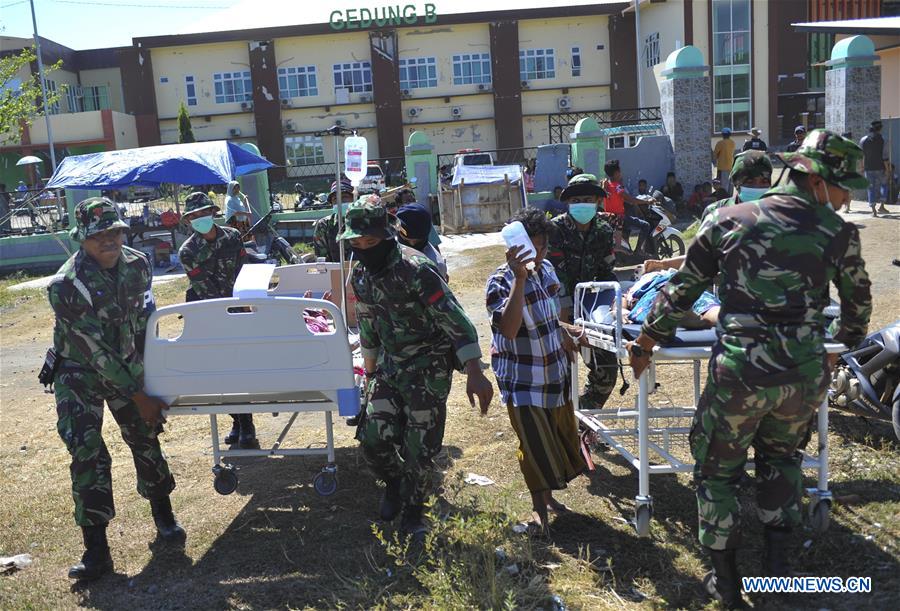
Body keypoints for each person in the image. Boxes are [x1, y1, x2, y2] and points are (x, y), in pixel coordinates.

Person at [627, 130, 872, 608]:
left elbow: (681, 289)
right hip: (801, 378)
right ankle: (777, 574)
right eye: (846, 187)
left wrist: (646, 339)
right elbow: (858, 307)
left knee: (717, 473)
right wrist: (837, 347)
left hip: (740, 375)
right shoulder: (836, 232)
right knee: (782, 462)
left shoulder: (727, 220)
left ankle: (727, 581)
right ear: (819, 179)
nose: (847, 200)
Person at [47, 197, 185, 581]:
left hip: (125, 362)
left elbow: (143, 322)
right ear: (83, 240)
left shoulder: (138, 265)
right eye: (98, 235)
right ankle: (97, 552)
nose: (108, 240)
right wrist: (138, 395)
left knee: (146, 434)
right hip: (79, 370)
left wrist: (149, 376)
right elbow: (94, 352)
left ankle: (164, 517)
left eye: (114, 231)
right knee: (87, 449)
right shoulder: (66, 285)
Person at [340, 198, 494, 537]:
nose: (364, 249)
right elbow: (368, 325)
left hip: (428, 366)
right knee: (372, 437)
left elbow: (456, 319)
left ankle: (414, 510)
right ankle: (394, 483)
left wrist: (474, 371)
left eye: (371, 242)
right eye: (357, 243)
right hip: (389, 365)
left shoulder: (417, 270)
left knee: (419, 448)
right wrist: (368, 376)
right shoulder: (361, 274)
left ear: (387, 236)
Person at [487, 207, 587, 532]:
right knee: (534, 446)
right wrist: (519, 277)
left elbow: (547, 315)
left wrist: (565, 331)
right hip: (523, 380)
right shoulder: (501, 281)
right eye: (532, 246)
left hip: (554, 374)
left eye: (543, 246)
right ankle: (538, 511)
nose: (539, 253)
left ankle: (549, 500)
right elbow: (511, 328)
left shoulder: (546, 273)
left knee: (556, 441)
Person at [178, 192, 257, 448]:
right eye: (195, 216)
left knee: (240, 369)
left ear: (213, 212)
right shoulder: (188, 250)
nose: (201, 218)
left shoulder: (232, 236)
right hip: (208, 313)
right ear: (188, 220)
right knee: (217, 372)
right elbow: (203, 288)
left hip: (238, 308)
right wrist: (224, 314)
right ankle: (237, 420)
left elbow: (244, 271)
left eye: (204, 213)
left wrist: (244, 303)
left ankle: (246, 423)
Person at [548, 173, 619, 410]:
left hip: (591, 306)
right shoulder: (555, 229)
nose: (581, 204)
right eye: (576, 200)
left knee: (607, 369)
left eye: (587, 199)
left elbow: (607, 273)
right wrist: (564, 317)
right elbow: (555, 275)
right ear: (568, 202)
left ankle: (585, 421)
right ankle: (562, 427)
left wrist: (614, 306)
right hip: (558, 308)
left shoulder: (603, 230)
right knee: (560, 373)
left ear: (598, 201)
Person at [602, 159, 656, 258]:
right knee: (645, 225)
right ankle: (638, 250)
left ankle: (627, 252)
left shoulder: (606, 186)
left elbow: (621, 199)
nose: (621, 173)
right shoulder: (617, 187)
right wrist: (647, 201)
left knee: (628, 226)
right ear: (617, 173)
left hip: (610, 217)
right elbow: (631, 200)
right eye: (620, 171)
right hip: (619, 217)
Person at [396, 203, 448, 281]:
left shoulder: (436, 266)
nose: (412, 244)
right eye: (406, 240)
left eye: (418, 241)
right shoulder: (388, 248)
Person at [312, 178, 355, 262]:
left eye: (345, 197)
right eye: (335, 199)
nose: (340, 201)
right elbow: (321, 258)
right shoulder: (324, 225)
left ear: (354, 199)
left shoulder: (364, 220)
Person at [859, 119, 890, 216]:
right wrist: (888, 169)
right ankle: (882, 206)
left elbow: (861, 155)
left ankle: (873, 211)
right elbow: (885, 157)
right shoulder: (884, 139)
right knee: (884, 185)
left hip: (868, 168)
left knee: (870, 188)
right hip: (881, 167)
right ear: (880, 129)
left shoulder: (863, 140)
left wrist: (862, 166)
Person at [713, 128, 736, 193]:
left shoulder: (720, 143)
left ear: (722, 135)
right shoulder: (732, 143)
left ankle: (724, 198)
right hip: (731, 166)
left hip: (722, 167)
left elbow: (715, 154)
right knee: (730, 184)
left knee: (723, 185)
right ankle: (730, 199)